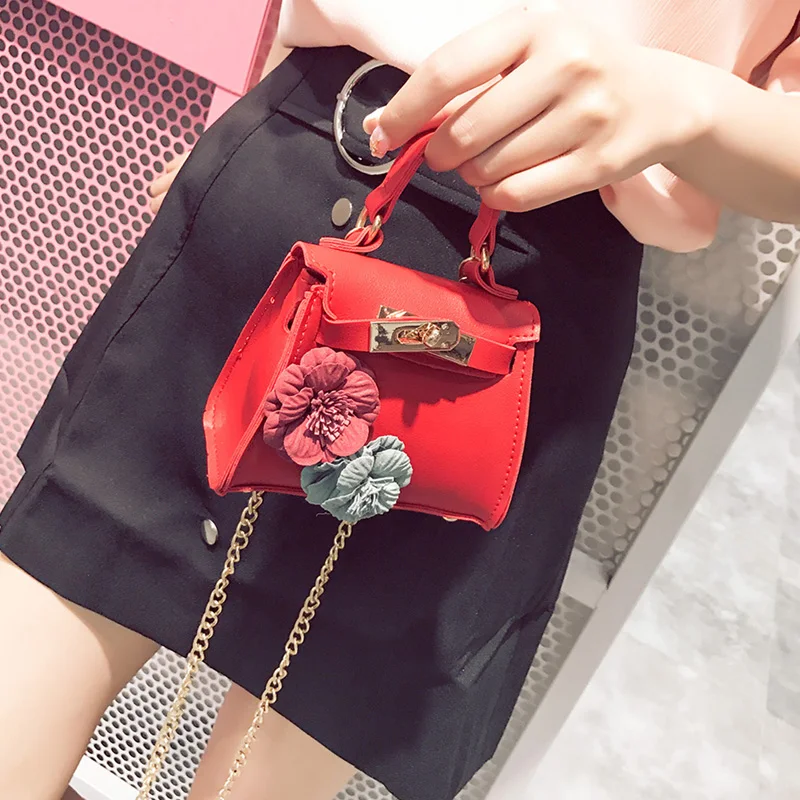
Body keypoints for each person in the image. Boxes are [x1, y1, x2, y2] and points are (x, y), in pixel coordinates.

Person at [2, 2, 799, 799]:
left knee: (310, 712)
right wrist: (250, 109)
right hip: (295, 157)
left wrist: (686, 102)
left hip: (513, 319)